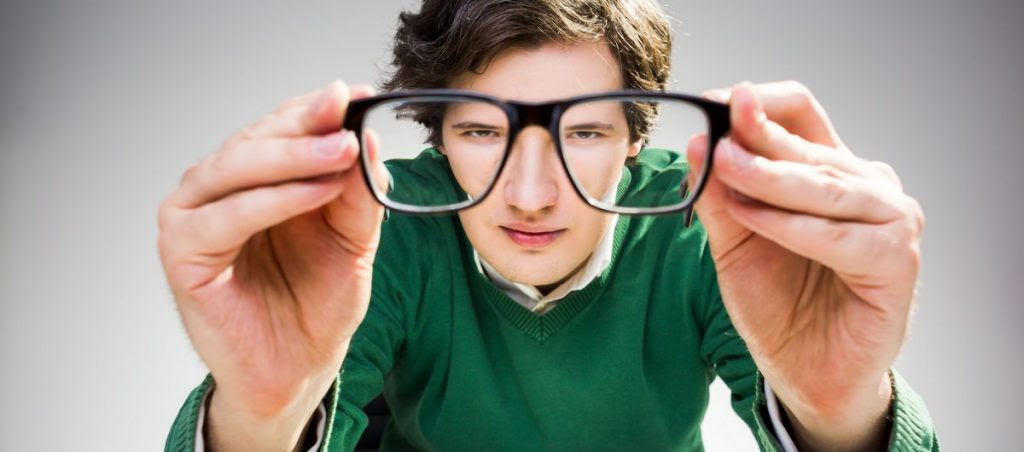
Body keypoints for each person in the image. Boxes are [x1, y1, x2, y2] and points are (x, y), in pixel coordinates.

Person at [160, 1, 938, 450]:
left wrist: (842, 415)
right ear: (437, 138)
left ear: (636, 139)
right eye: (482, 131)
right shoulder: (375, 227)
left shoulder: (709, 226)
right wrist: (262, 415)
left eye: (584, 132)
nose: (530, 195)